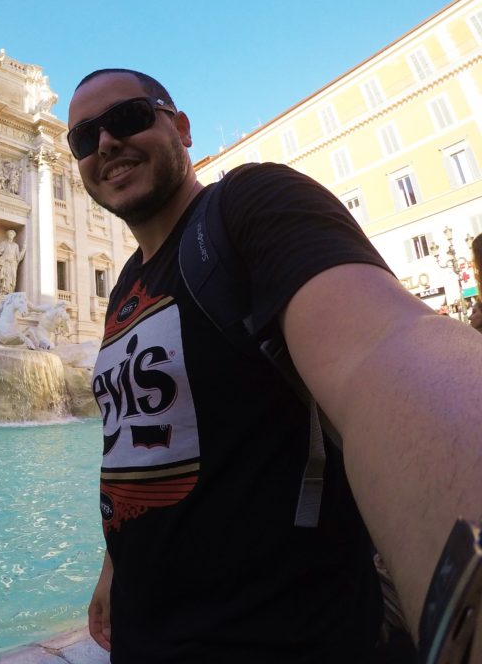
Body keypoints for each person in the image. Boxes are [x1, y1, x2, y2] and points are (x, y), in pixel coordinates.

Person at [68, 69, 482, 663]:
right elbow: (139, 444)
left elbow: (382, 349)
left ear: (181, 128)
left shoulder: (250, 206)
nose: (105, 143)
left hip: (278, 636)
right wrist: (116, 564)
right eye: (84, 138)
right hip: (145, 636)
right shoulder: (126, 284)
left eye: (128, 118)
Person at [0, 229, 25, 297]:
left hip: (12, 264)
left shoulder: (15, 245)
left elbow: (18, 257)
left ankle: (10, 292)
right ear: (7, 235)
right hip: (5, 263)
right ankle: (3, 292)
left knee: (11, 279)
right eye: (10, 234)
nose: (11, 236)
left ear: (14, 236)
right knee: (4, 277)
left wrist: (24, 249)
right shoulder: (3, 243)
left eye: (12, 234)